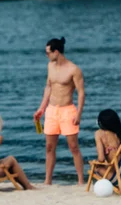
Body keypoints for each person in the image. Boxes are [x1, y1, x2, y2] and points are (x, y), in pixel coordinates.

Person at [33, 37, 85, 185]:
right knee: (49, 147)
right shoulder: (50, 66)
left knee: (73, 147)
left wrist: (79, 114)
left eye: (48, 52)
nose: (47, 55)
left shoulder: (73, 69)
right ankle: (47, 180)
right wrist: (41, 108)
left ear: (56, 52)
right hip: (51, 110)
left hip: (68, 110)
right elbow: (48, 87)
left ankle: (81, 181)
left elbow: (81, 93)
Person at [94, 109, 121, 177]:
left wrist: (95, 164)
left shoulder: (99, 134)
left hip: (116, 177)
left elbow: (101, 159)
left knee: (96, 167)